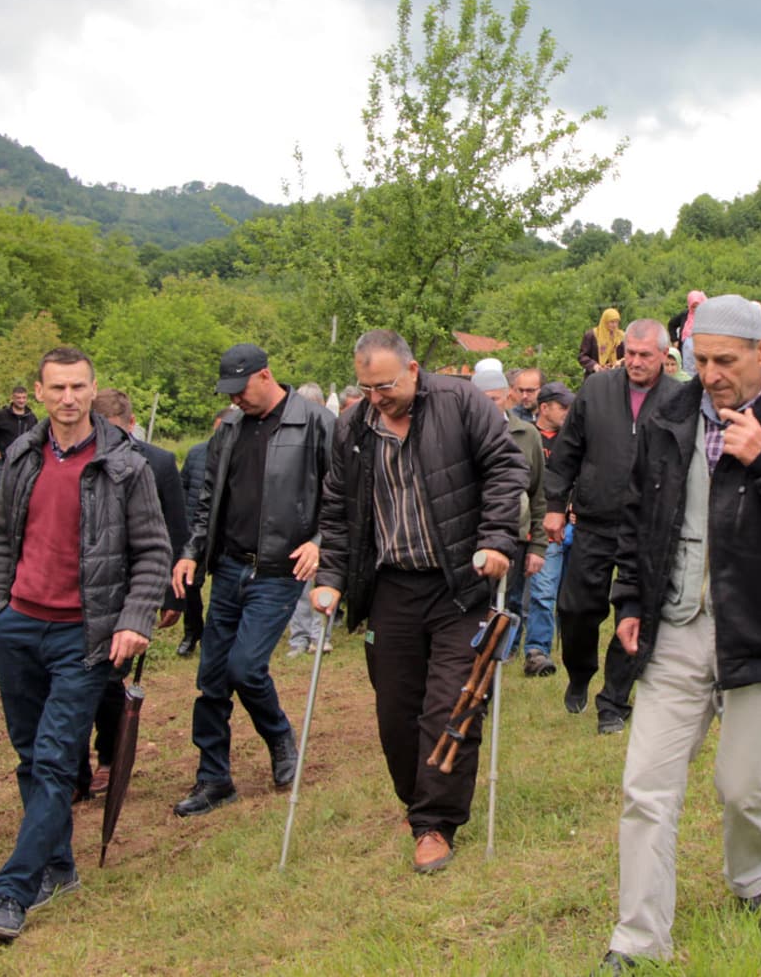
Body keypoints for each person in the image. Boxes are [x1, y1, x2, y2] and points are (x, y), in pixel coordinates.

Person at [597, 295, 761, 970]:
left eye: (725, 361)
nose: (710, 374)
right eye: (699, 360)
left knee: (741, 785)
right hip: (678, 627)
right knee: (646, 788)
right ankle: (637, 942)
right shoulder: (668, 416)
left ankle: (750, 883)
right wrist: (630, 598)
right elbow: (639, 514)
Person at [0, 347, 170, 941]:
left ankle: (12, 892)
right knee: (31, 758)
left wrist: (134, 619)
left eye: (78, 386)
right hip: (18, 629)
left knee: (57, 760)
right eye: (56, 388)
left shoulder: (125, 465)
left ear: (93, 388)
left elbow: (155, 551)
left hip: (84, 637)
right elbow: (1, 540)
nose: (68, 398)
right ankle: (59, 866)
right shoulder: (21, 458)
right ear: (38, 391)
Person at [311, 329, 527, 874]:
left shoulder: (461, 403)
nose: (376, 397)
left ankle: (436, 823)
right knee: (395, 712)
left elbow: (506, 469)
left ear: (412, 370)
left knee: (452, 706)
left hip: (459, 583)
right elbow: (338, 507)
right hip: (391, 586)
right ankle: (417, 804)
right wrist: (332, 575)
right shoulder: (353, 426)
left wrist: (497, 539)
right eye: (365, 387)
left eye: (384, 385)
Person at [170, 344, 334, 817]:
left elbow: (344, 493)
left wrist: (320, 540)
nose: (235, 399)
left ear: (265, 375)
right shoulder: (231, 431)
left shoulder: (316, 423)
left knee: (245, 667)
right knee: (212, 678)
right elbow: (208, 501)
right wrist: (191, 552)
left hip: (279, 570)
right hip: (229, 566)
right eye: (229, 392)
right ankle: (214, 777)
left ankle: (280, 737)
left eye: (240, 390)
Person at [546, 318, 675, 734]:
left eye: (644, 355)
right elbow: (567, 450)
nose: (634, 362)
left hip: (650, 527)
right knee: (576, 607)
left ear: (663, 355)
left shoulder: (680, 399)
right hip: (595, 518)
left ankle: (614, 701)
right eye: (629, 354)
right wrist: (554, 504)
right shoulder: (596, 390)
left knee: (638, 613)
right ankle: (580, 671)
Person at [78, 390, 187, 798]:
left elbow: (175, 529)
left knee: (110, 679)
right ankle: (74, 771)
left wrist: (174, 595)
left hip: (131, 586)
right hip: (83, 584)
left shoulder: (157, 462)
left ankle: (108, 756)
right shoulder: (78, 458)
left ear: (132, 422)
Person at [472, 360, 548, 646]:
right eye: (481, 401)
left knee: (507, 600)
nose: (488, 406)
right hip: (471, 533)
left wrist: (538, 545)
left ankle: (499, 656)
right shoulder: (462, 432)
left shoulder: (526, 435)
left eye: (493, 399)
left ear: (507, 396)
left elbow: (538, 492)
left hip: (514, 534)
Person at [522, 381, 574, 676]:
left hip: (574, 523)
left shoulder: (572, 438)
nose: (568, 412)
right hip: (542, 524)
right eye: (563, 407)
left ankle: (566, 647)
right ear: (544, 407)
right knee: (542, 591)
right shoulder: (527, 436)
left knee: (568, 595)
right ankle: (536, 650)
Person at [285, 383, 340, 656]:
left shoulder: (332, 433)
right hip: (298, 524)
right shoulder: (292, 440)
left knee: (322, 582)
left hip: (326, 524)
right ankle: (299, 638)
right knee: (299, 582)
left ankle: (320, 637)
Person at [177, 409, 229, 657]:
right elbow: (182, 489)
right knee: (190, 585)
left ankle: (215, 636)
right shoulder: (196, 453)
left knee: (223, 588)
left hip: (223, 536)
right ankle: (192, 632)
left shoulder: (237, 456)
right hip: (194, 533)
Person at [0, 386, 37, 487]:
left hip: (23, 461)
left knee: (20, 492)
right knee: (2, 493)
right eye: (18, 398)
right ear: (12, 398)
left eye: (24, 398)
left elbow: (35, 438)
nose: (21, 401)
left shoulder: (31, 418)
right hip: (3, 461)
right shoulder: (1, 415)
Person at [579, 308, 626, 376]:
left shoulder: (621, 336)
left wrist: (620, 362)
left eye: (617, 322)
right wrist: (595, 366)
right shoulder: (592, 335)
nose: (615, 325)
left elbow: (628, 355)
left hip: (615, 376)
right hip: (595, 377)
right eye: (612, 322)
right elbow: (582, 356)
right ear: (605, 321)